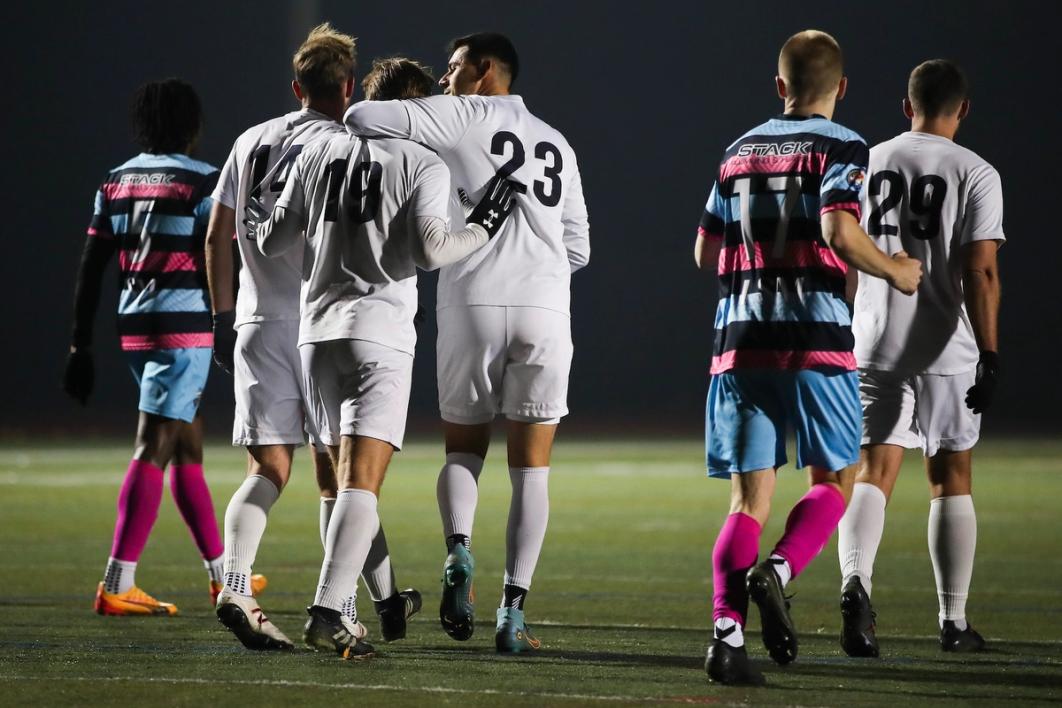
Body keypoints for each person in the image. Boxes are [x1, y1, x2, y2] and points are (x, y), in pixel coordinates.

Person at [251, 55, 516, 660]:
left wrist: (271, 201)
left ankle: (360, 605)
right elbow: (431, 250)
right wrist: (484, 225)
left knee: (340, 483)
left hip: (316, 335)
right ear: (418, 110)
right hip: (378, 335)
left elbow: (271, 239)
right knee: (361, 485)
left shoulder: (318, 152)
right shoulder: (421, 159)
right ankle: (327, 612)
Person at [344, 31, 590, 654]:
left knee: (463, 453)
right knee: (532, 471)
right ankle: (513, 613)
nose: (445, 80)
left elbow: (360, 114)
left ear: (485, 70)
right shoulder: (557, 140)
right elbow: (580, 248)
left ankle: (458, 555)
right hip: (545, 307)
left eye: (454, 68)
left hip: (471, 303)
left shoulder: (461, 113)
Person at [694, 30, 923, 685]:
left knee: (745, 504)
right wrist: (897, 272)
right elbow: (837, 229)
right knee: (831, 483)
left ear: (779, 86)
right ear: (841, 88)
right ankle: (782, 570)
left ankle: (726, 639)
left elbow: (705, 252)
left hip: (739, 344)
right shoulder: (843, 145)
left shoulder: (738, 150)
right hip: (815, 341)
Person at [206, 25, 421, 651]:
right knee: (343, 478)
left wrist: (224, 318)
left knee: (266, 470)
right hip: (321, 323)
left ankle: (238, 584)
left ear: (296, 86)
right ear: (349, 88)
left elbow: (219, 236)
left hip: (253, 319)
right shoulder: (343, 142)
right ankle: (345, 606)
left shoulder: (250, 140)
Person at [836, 59, 1003, 657]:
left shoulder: (867, 161)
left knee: (871, 473)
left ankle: (856, 583)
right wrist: (989, 353)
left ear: (907, 106)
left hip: (875, 341)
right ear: (962, 109)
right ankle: (953, 622)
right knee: (950, 478)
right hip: (945, 348)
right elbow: (980, 269)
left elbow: (845, 253)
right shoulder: (976, 171)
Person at [64, 78, 240, 616]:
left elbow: (92, 267)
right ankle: (117, 581)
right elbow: (219, 252)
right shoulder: (203, 181)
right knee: (154, 444)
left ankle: (223, 577)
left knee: (186, 447)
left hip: (135, 328)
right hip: (183, 329)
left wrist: (80, 345)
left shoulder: (116, 181)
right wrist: (227, 320)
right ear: (192, 125)